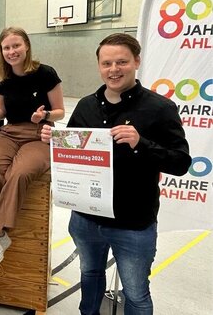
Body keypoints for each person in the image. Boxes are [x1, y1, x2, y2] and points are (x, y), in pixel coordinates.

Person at [41, 33, 191, 315]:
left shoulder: (160, 108)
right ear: (99, 65)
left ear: (136, 61)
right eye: (106, 63)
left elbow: (181, 162)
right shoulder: (85, 106)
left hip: (133, 223)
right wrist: (54, 140)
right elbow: (71, 148)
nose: (114, 69)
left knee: (135, 293)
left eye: (121, 62)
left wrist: (141, 143)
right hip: (86, 219)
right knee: (90, 277)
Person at [0, 26, 65, 268]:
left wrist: (44, 114)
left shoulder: (46, 73)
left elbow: (60, 112)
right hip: (9, 133)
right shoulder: (3, 79)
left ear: (26, 46)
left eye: (16, 46)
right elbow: (1, 113)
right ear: (1, 51)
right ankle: (3, 234)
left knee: (19, 173)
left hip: (38, 135)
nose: (11, 51)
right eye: (6, 48)